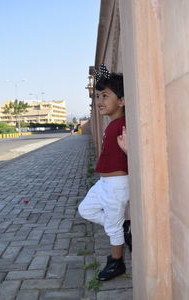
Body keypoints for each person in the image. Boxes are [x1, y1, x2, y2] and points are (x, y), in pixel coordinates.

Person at [78, 64, 129, 281]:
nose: (100, 101)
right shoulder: (111, 124)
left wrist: (129, 150)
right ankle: (123, 227)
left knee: (112, 225)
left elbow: (138, 149)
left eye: (106, 95)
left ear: (122, 100)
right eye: (98, 95)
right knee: (85, 209)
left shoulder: (125, 124)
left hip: (118, 183)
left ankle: (116, 262)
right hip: (104, 182)